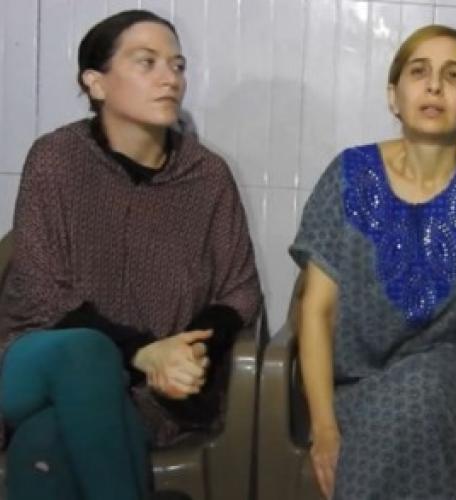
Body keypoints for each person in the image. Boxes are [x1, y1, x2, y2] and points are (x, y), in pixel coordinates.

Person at [0, 10, 261, 500]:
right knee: (85, 351)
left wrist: (186, 353)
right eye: (147, 62)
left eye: (178, 65)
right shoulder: (56, 159)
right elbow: (38, 291)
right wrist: (144, 352)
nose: (171, 78)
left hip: (145, 394)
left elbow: (240, 290)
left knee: (44, 442)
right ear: (95, 83)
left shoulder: (207, 176)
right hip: (33, 365)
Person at [290, 24, 456, 500]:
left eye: (452, 76)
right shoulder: (348, 175)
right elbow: (316, 311)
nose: (434, 86)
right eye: (418, 72)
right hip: (359, 386)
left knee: (421, 390)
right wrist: (324, 429)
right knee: (401, 410)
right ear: (393, 96)